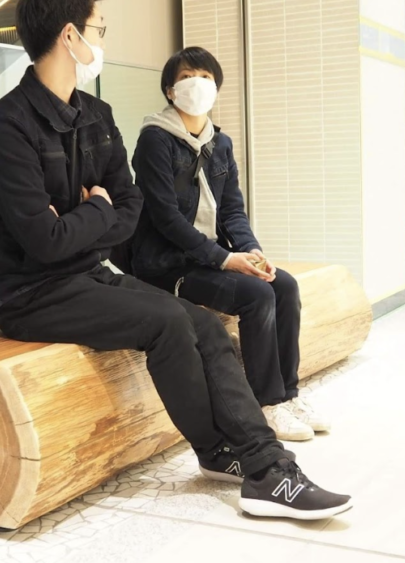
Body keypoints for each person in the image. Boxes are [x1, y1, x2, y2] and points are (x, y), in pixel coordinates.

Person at [0, 0, 351, 520]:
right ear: (70, 36)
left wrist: (89, 214)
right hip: (28, 293)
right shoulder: (8, 124)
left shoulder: (95, 116)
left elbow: (129, 214)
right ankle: (263, 471)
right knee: (169, 322)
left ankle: (241, 458)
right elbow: (45, 241)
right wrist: (97, 208)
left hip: (89, 276)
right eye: (99, 29)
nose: (102, 40)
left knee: (202, 325)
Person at [129, 46, 327, 443]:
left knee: (284, 286)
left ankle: (288, 394)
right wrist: (224, 259)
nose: (197, 83)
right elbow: (166, 218)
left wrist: (251, 251)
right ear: (170, 90)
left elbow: (232, 209)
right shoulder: (155, 139)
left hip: (210, 257)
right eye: (187, 76)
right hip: (167, 264)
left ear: (217, 87)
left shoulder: (220, 143)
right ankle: (266, 403)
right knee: (256, 296)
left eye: (206, 77)